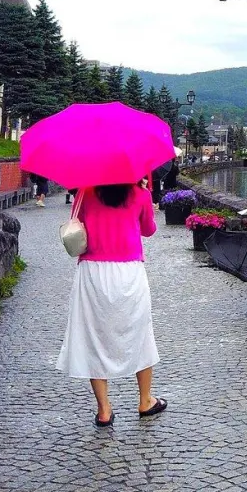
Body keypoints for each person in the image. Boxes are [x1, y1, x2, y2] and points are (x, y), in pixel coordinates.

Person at [56, 182, 167, 427]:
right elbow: (148, 230)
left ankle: (104, 409)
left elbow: (78, 227)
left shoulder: (85, 193)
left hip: (93, 271)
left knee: (93, 336)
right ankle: (145, 400)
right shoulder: (141, 194)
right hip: (129, 270)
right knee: (141, 332)